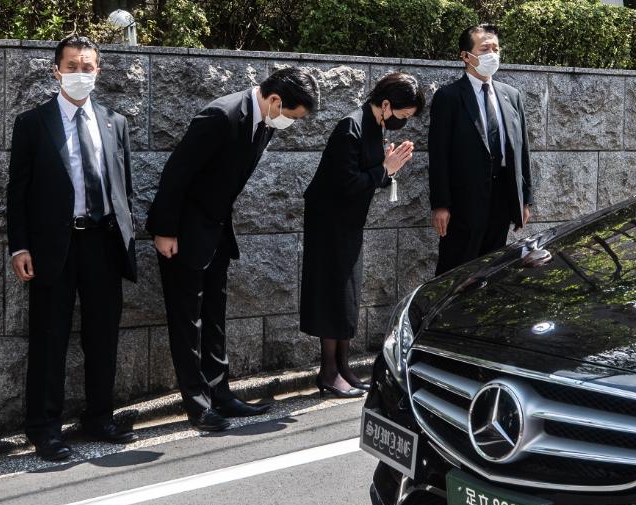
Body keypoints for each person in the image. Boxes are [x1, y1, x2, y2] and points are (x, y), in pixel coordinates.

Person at [147, 68, 319, 432]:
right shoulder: (222, 115)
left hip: (217, 232)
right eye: (291, 115)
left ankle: (220, 392)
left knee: (214, 317)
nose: (289, 123)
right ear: (275, 101)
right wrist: (164, 231)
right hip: (184, 233)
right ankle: (197, 406)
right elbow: (177, 172)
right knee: (186, 320)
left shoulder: (264, 121)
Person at [6, 35, 139, 461]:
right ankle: (44, 428)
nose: (80, 74)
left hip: (102, 242)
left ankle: (100, 416)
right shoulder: (33, 123)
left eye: (88, 67)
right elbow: (17, 192)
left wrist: (128, 235)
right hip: (52, 247)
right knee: (49, 338)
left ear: (97, 71)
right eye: (72, 66)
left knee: (103, 335)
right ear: (56, 70)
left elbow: (125, 186)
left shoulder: (114, 121)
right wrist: (19, 246)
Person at [300, 73, 421, 397]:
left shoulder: (373, 124)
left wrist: (385, 167)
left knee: (348, 295)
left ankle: (343, 367)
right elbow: (346, 183)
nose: (402, 123)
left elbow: (366, 175)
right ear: (385, 104)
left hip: (348, 223)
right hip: (329, 224)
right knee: (333, 295)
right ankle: (328, 372)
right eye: (402, 116)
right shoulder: (350, 127)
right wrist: (385, 169)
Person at [428, 23, 533, 275]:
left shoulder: (511, 95)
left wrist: (525, 199)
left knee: (494, 270)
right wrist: (440, 205)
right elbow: (438, 154)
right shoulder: (449, 97)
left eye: (496, 48)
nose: (492, 54)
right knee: (456, 271)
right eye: (485, 49)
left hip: (501, 202)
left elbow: (522, 150)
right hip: (463, 205)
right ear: (466, 56)